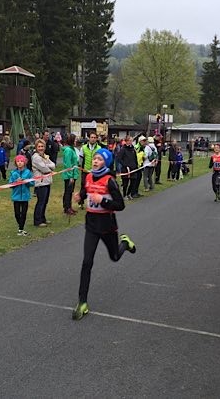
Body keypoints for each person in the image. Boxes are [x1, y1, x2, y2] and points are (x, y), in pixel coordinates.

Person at [71, 148, 136, 321]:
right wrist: (79, 197)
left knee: (114, 257)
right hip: (92, 225)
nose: (95, 161)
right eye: (94, 158)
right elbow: (85, 193)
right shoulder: (89, 177)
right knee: (87, 262)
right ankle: (82, 302)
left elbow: (120, 205)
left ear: (105, 162)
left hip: (107, 226)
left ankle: (125, 243)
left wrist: (104, 201)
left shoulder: (110, 181)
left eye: (99, 159)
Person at [9, 155, 35, 236]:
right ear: (16, 163)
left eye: (21, 161)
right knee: (17, 214)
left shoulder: (28, 172)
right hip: (16, 197)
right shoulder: (13, 173)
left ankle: (21, 229)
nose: (20, 163)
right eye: (18, 161)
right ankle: (20, 226)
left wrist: (26, 182)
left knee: (23, 213)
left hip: (25, 197)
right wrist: (16, 182)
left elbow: (32, 183)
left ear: (24, 163)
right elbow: (10, 184)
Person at [32, 139, 55, 227]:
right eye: (39, 146)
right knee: (41, 202)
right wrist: (48, 167)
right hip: (41, 183)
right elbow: (44, 169)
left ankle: (42, 218)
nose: (41, 148)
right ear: (36, 147)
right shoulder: (36, 157)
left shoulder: (44, 156)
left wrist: (48, 166)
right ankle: (37, 221)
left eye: (42, 146)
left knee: (45, 201)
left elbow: (53, 165)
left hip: (47, 181)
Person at [78, 131, 101, 209]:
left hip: (95, 171)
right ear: (89, 138)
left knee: (94, 187)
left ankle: (93, 202)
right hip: (85, 170)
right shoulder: (84, 147)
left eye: (95, 138)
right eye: (92, 137)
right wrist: (80, 167)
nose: (93, 139)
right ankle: (81, 202)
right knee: (84, 187)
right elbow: (80, 159)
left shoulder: (99, 148)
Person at [61, 134, 79, 215]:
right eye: (75, 140)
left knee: (70, 191)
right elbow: (68, 164)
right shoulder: (68, 150)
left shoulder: (72, 149)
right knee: (68, 192)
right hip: (69, 175)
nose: (76, 141)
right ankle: (67, 208)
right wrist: (70, 176)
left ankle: (69, 206)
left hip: (73, 174)